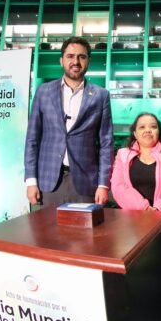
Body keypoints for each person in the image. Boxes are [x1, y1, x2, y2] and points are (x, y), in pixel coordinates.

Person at [24, 37, 113, 207]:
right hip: (48, 182)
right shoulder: (43, 92)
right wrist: (31, 181)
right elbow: (32, 139)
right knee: (46, 226)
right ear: (61, 60)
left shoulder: (101, 96)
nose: (76, 62)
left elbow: (106, 143)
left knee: (85, 226)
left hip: (86, 184)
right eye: (70, 56)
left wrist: (103, 185)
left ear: (88, 61)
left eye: (82, 56)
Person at [110, 112, 161, 219]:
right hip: (131, 219)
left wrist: (159, 209)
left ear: (159, 132)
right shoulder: (122, 155)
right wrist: (144, 208)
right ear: (135, 133)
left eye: (153, 127)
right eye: (142, 127)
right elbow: (118, 187)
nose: (148, 130)